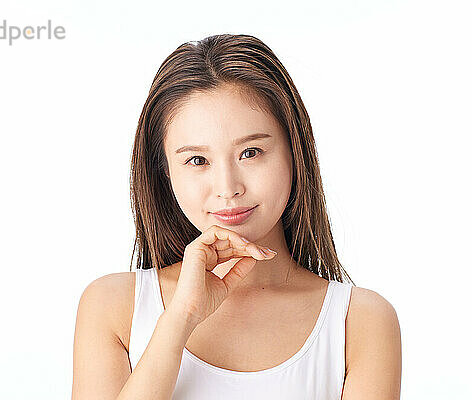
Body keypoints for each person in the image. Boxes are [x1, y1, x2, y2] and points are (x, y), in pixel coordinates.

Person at [71, 33, 401, 400]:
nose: (227, 188)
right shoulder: (113, 307)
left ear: (295, 152)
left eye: (251, 152)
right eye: (197, 161)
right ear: (164, 171)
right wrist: (180, 318)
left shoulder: (360, 322)